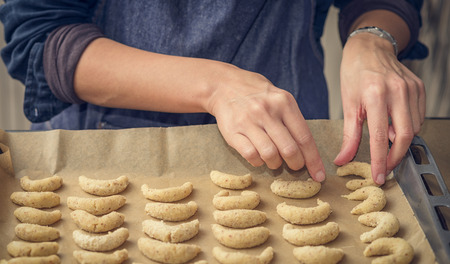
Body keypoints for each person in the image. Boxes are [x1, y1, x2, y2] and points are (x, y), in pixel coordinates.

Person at [0, 0, 428, 184]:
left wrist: (373, 38)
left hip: (291, 140)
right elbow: (40, 36)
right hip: (107, 146)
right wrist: (215, 85)